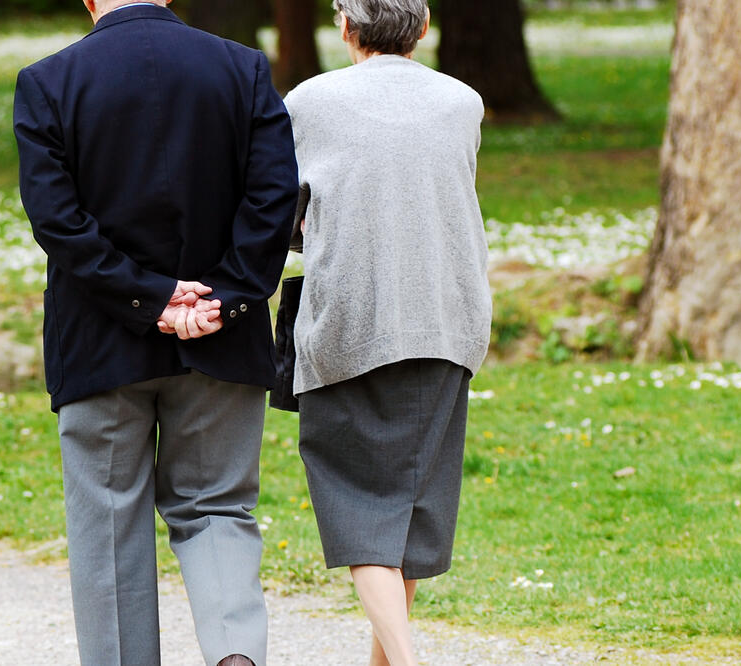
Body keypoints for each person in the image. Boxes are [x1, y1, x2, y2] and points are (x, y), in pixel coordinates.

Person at [13, 1, 298, 664]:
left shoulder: (48, 81)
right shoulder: (244, 69)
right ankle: (235, 652)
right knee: (219, 508)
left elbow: (58, 221)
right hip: (222, 343)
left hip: (100, 341)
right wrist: (219, 300)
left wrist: (155, 298)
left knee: (108, 525)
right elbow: (274, 198)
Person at [283, 1, 492, 664]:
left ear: (345, 27)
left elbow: (285, 208)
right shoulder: (464, 102)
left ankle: (403, 661)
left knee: (362, 513)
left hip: (351, 317)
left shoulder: (307, 102)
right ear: (422, 29)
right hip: (446, 314)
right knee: (409, 509)